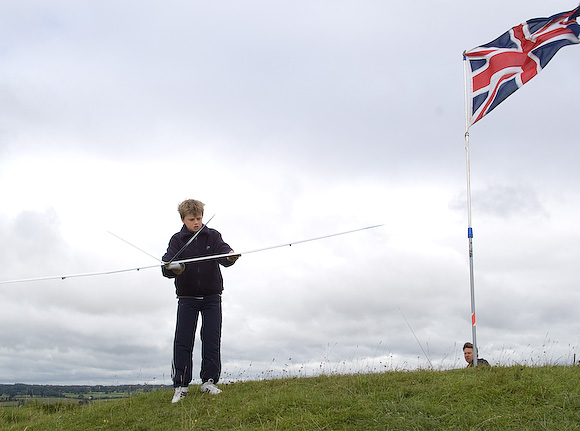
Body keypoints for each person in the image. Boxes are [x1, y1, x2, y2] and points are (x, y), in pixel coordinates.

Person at [162, 199, 239, 403]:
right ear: (183, 219)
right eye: (191, 219)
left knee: (211, 339)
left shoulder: (212, 236)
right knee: (183, 341)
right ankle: (181, 385)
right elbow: (166, 266)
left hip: (212, 297)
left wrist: (230, 256)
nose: (196, 222)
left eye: (198, 218)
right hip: (187, 298)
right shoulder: (177, 240)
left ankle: (209, 382)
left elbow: (224, 253)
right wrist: (172, 268)